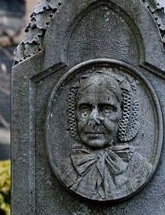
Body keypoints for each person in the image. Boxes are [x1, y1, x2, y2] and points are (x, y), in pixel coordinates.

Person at [62, 69, 152, 201]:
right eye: (85, 108)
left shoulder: (141, 169)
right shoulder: (64, 169)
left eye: (106, 109)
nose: (94, 119)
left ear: (123, 115)